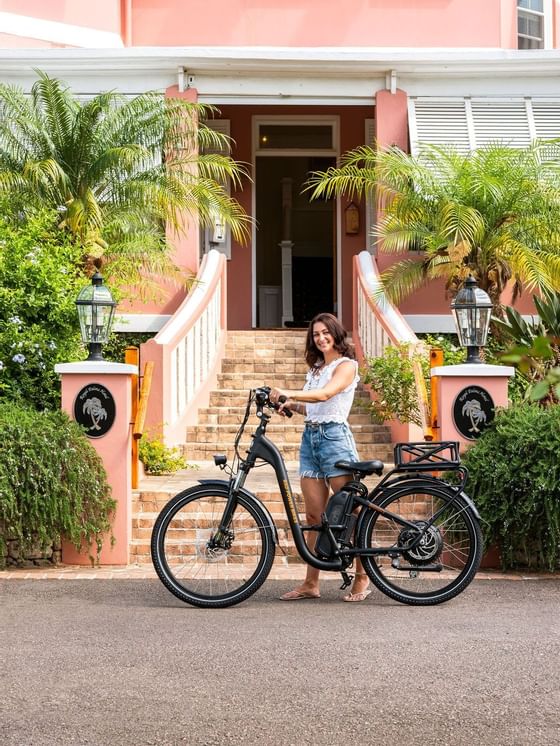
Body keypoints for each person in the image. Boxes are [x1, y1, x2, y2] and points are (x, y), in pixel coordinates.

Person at [270, 312, 371, 603]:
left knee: (352, 511)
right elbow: (313, 408)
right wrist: (291, 404)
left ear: (336, 334)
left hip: (335, 440)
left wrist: (292, 392)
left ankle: (362, 577)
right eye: (316, 334)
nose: (321, 338)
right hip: (310, 441)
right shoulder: (315, 369)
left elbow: (327, 395)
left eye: (326, 332)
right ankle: (311, 583)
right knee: (315, 516)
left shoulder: (346, 366)